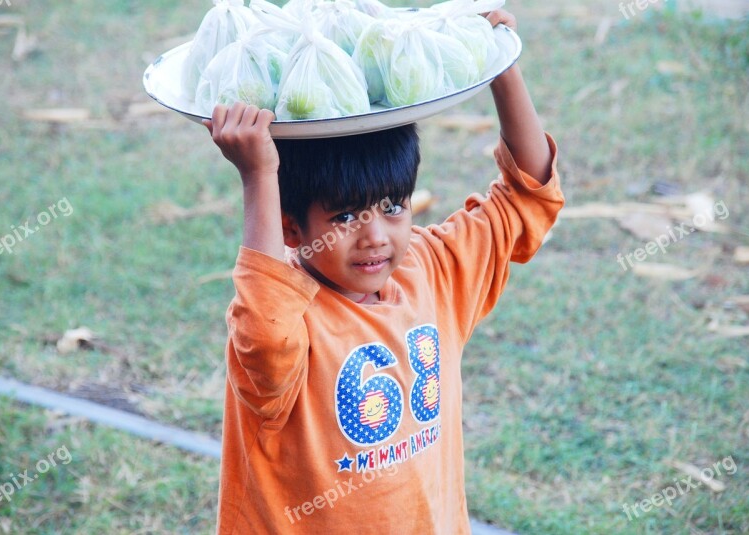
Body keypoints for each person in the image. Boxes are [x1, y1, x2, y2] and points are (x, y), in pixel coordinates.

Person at [204, 9, 564, 534]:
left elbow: (528, 195)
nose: (376, 236)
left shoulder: (433, 270)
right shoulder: (289, 316)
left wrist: (502, 66)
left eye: (393, 205)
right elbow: (262, 333)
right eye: (345, 216)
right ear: (292, 228)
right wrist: (260, 176)